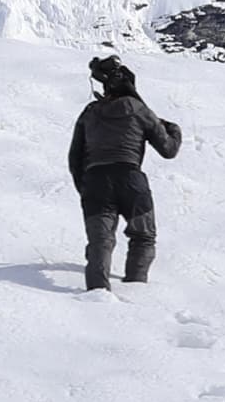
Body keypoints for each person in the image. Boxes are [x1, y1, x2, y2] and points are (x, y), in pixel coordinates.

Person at [68, 54, 184, 290]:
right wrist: (173, 128)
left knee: (101, 241)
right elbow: (168, 150)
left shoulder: (89, 112)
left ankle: (97, 294)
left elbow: (75, 157)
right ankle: (136, 290)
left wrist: (86, 188)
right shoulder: (139, 110)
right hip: (131, 180)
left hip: (95, 181)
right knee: (143, 237)